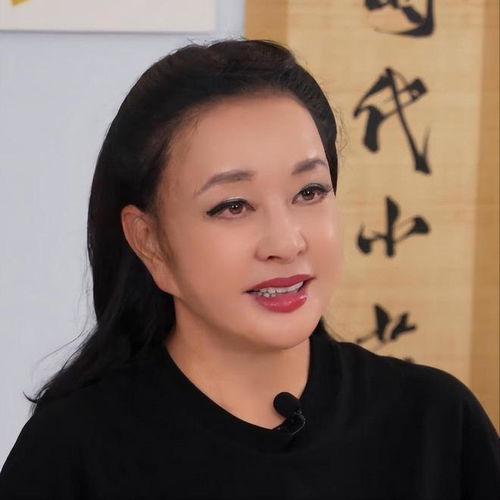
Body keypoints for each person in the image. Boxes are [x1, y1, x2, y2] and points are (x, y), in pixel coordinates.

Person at [0, 38, 498, 500]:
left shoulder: (437, 423)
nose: (286, 242)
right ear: (149, 241)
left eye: (309, 192)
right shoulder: (72, 451)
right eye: (233, 205)